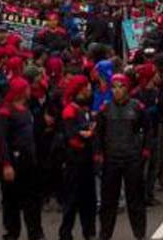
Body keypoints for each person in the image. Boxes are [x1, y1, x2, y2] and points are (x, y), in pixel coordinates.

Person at [96, 73, 150, 240]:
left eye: (121, 86)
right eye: (114, 87)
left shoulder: (137, 107)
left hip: (131, 158)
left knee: (135, 200)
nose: (117, 90)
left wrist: (146, 149)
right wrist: (98, 153)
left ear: (128, 88)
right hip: (111, 159)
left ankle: (139, 234)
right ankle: (105, 234)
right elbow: (99, 133)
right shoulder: (105, 109)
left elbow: (148, 129)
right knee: (108, 201)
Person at [0, 76, 45, 240]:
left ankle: (35, 232)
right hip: (14, 161)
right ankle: (12, 232)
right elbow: (1, 140)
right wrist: (6, 164)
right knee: (11, 200)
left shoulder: (26, 109)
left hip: (29, 161)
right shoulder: (6, 112)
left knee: (32, 199)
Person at [58, 75, 97, 240]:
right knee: (72, 199)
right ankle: (66, 232)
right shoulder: (70, 110)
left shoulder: (84, 109)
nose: (89, 90)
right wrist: (86, 134)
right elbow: (73, 137)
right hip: (75, 161)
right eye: (87, 87)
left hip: (86, 160)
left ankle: (89, 231)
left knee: (89, 198)